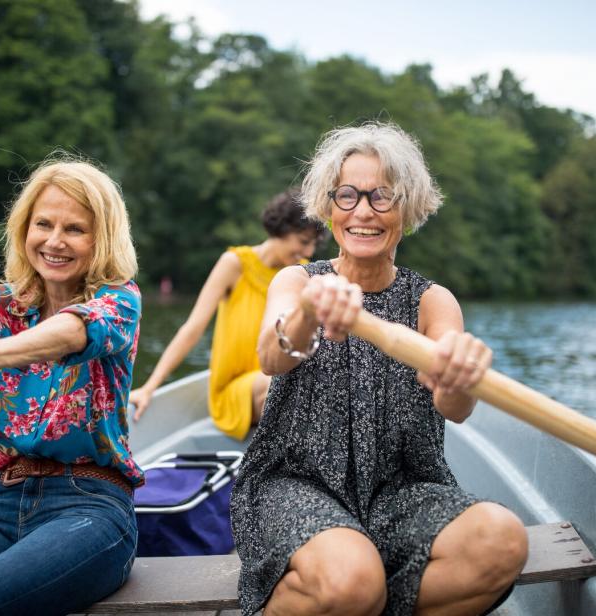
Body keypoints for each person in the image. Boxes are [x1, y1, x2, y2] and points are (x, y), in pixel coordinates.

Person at [230, 122, 528, 616]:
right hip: (296, 484)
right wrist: (310, 311)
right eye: (346, 196)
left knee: (503, 541)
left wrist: (458, 374)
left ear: (408, 210)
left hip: (401, 490)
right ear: (327, 208)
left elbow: (454, 408)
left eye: (381, 197)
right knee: (352, 580)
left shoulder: (433, 300)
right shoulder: (297, 280)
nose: (362, 211)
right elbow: (271, 355)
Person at [0, 158, 142, 616]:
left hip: (88, 507)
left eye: (74, 229)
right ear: (24, 229)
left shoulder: (120, 300)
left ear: (102, 239)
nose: (54, 241)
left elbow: (75, 332)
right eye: (43, 224)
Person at [129, 189, 325, 440]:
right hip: (235, 390)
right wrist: (149, 387)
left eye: (312, 244)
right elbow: (193, 328)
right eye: (302, 240)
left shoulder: (300, 273)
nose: (307, 251)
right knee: (278, 384)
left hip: (279, 376)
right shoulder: (235, 263)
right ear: (282, 229)